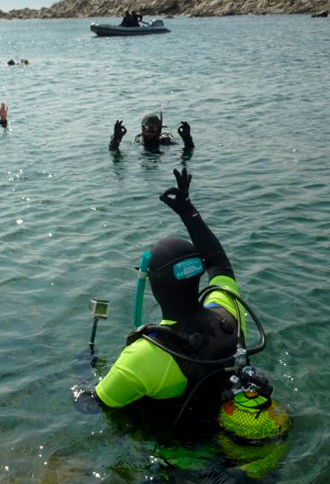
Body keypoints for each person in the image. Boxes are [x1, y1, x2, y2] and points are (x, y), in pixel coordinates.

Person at [93, 168, 243, 418]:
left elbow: (94, 404)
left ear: (153, 284)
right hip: (234, 422)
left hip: (179, 455)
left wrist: (83, 370)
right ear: (198, 273)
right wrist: (188, 211)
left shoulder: (143, 355)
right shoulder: (229, 312)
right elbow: (219, 262)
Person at [109, 114, 194, 154]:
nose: (150, 131)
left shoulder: (166, 142)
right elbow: (113, 152)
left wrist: (187, 138)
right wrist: (116, 139)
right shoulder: (138, 143)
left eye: (154, 128)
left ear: (159, 130)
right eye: (147, 128)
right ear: (142, 129)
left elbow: (188, 151)